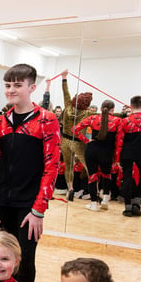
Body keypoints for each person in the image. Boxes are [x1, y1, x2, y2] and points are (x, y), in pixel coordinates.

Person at [0, 63, 61, 282]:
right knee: (3, 256)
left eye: (17, 85)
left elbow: (52, 167)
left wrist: (39, 209)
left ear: (32, 87)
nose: (11, 90)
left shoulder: (46, 120)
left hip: (29, 204)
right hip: (2, 202)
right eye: (8, 85)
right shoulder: (0, 123)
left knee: (24, 258)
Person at [73, 99, 121, 212]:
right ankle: (105, 199)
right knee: (106, 175)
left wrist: (86, 140)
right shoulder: (118, 121)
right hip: (107, 152)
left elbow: (74, 129)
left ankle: (94, 204)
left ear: (100, 108)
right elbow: (119, 141)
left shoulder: (92, 118)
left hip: (92, 150)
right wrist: (116, 157)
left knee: (92, 177)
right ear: (113, 110)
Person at [116, 95, 141, 217]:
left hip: (127, 152)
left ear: (131, 105)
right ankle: (137, 202)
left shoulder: (125, 121)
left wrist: (118, 158)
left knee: (127, 178)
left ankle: (128, 206)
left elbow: (119, 141)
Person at [58, 70, 95, 201]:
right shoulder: (87, 114)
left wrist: (64, 78)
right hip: (78, 143)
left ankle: (70, 189)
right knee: (88, 167)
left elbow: (65, 92)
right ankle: (93, 192)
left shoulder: (68, 107)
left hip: (65, 140)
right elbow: (104, 118)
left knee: (68, 166)